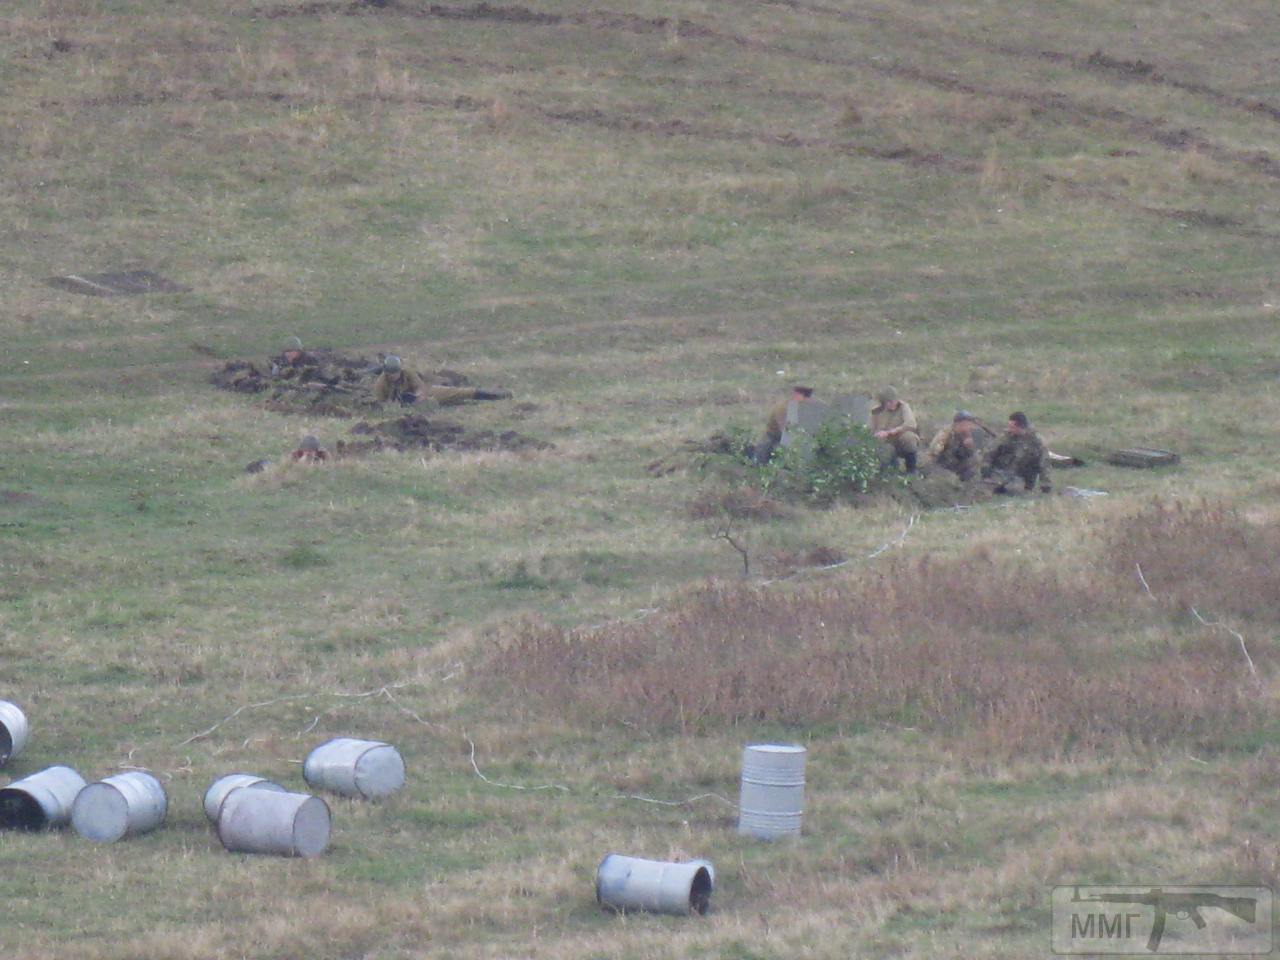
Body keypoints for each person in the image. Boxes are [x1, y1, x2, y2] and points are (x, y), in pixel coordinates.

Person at [372, 355, 513, 406]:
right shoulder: (380, 384)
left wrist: (418, 397)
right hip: (403, 406)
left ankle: (496, 395)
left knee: (458, 393)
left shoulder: (407, 372)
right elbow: (382, 404)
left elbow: (421, 387)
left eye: (396, 372)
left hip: (422, 396)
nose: (394, 376)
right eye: (391, 373)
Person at [981, 411, 1052, 493]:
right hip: (1003, 472)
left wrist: (1046, 485)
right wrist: (985, 469)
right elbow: (990, 453)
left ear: (1020, 427)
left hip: (1023, 477)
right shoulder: (1005, 436)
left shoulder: (1036, 441)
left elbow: (1045, 463)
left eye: (1012, 427)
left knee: (1013, 490)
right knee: (986, 487)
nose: (1009, 430)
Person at [751, 385, 814, 465]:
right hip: (773, 439)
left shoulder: (798, 407)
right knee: (760, 461)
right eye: (804, 397)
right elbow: (787, 433)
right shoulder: (784, 408)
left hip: (786, 440)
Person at [870, 386, 921, 473]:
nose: (893, 403)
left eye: (894, 400)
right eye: (889, 402)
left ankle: (911, 471)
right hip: (886, 443)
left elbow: (911, 423)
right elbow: (871, 431)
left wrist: (891, 432)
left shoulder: (903, 407)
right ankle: (890, 474)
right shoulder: (876, 412)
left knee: (909, 438)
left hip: (901, 439)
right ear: (883, 403)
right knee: (885, 451)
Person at [927, 410, 982, 481]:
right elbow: (933, 455)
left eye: (969, 425)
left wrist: (970, 447)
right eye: (963, 425)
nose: (966, 428)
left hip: (958, 465)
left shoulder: (972, 435)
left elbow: (977, 457)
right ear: (956, 425)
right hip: (941, 465)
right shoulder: (945, 434)